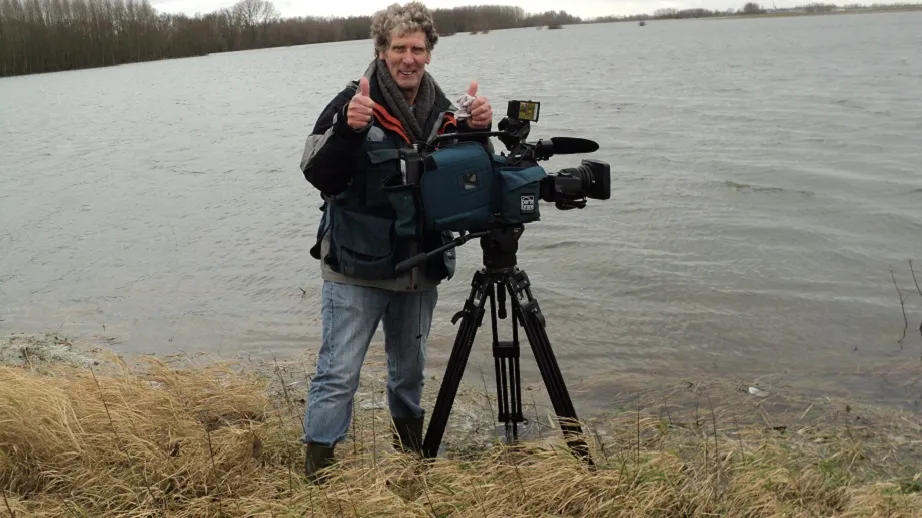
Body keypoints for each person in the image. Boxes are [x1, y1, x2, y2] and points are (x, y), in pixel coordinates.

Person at [297, 2, 493, 481]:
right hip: (354, 269)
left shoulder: (447, 112)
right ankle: (317, 478)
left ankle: (411, 463)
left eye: (418, 49)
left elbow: (470, 181)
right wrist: (348, 131)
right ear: (381, 51)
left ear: (429, 53)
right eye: (399, 48)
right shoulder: (350, 102)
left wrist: (477, 132)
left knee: (409, 374)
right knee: (338, 373)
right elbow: (317, 174)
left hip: (419, 268)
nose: (409, 58)